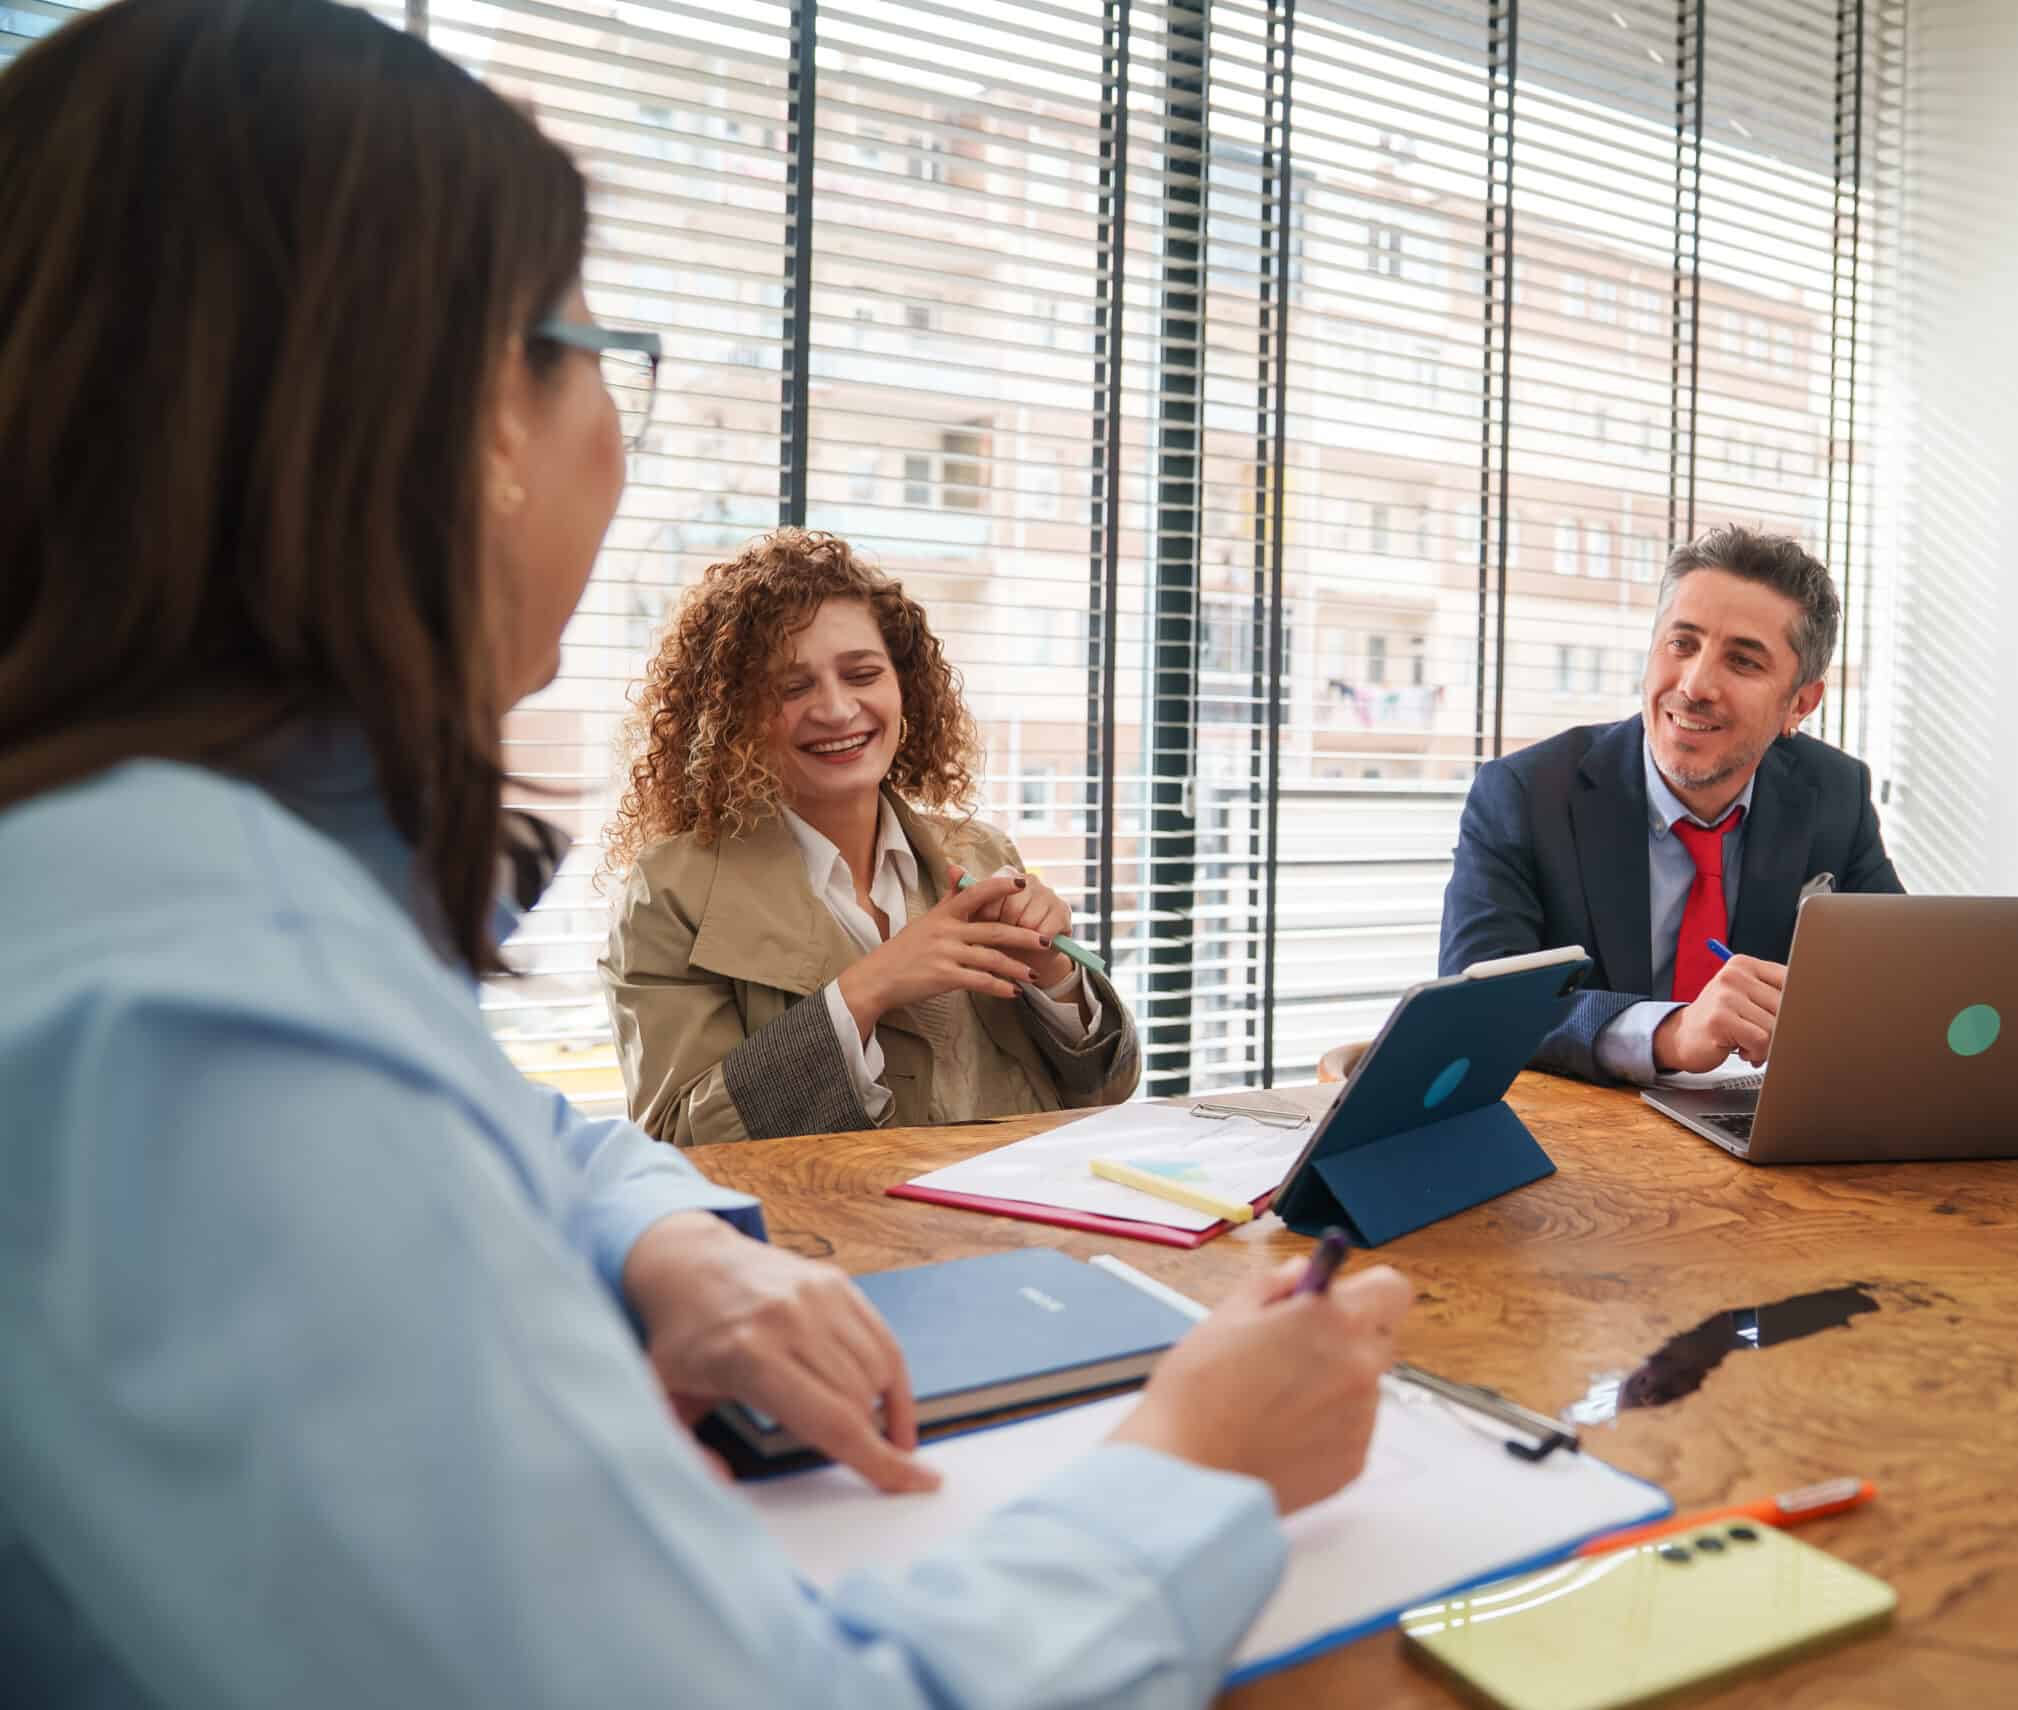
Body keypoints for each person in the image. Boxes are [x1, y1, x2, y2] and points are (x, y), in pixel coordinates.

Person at [0, 4, 1408, 1706]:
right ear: (478, 418)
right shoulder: (221, 1011)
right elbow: (672, 1123)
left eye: (864, 673)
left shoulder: (180, 896)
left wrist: (668, 1238)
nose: (838, 707)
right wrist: (1200, 1466)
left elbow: (537, 1135)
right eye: (587, 341)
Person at [600, 531, 1137, 1145]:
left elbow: (1106, 1091)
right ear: (733, 715)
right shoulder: (671, 895)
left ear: (904, 686)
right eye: (792, 687)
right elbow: (679, 1141)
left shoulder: (984, 853)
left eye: (862, 674)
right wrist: (867, 989)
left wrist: (1056, 975)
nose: (836, 710)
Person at [1438, 525, 1901, 1084]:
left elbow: (1901, 981)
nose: (1695, 685)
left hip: (1751, 1119)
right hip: (1585, 1124)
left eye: (1743, 661)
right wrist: (1668, 1033)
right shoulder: (1525, 795)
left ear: (1800, 703)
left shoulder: (1835, 792)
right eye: (1682, 644)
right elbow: (1479, 1009)